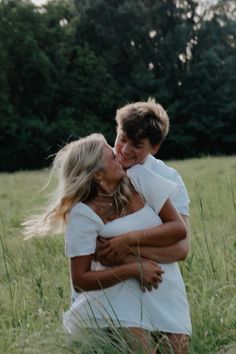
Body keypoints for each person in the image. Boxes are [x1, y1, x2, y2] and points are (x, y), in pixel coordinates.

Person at [23, 133, 191, 354]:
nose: (120, 156)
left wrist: (126, 243)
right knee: (142, 349)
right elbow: (80, 280)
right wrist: (134, 269)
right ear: (97, 174)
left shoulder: (139, 179)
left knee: (178, 348)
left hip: (166, 286)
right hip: (122, 294)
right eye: (112, 157)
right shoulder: (83, 213)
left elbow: (179, 231)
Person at [95, 98, 191, 352]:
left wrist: (128, 244)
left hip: (160, 274)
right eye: (122, 138)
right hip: (116, 275)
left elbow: (181, 249)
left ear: (155, 147)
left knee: (177, 347)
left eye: (136, 145)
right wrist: (127, 260)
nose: (124, 150)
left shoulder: (169, 179)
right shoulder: (98, 169)